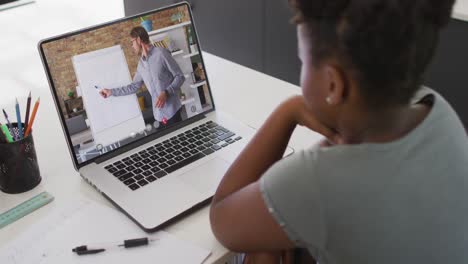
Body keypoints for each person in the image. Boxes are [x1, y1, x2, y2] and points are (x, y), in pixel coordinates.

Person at [209, 0, 468, 263]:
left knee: (261, 249)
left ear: (333, 85)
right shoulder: (439, 113)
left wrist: (288, 111)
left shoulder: (317, 179)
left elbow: (221, 218)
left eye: (302, 60)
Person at [100, 26, 185, 127]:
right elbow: (133, 87)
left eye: (132, 42)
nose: (132, 46)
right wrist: (111, 92)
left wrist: (166, 92)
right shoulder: (141, 65)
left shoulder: (161, 53)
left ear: (139, 40)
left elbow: (180, 76)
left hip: (173, 112)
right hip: (158, 116)